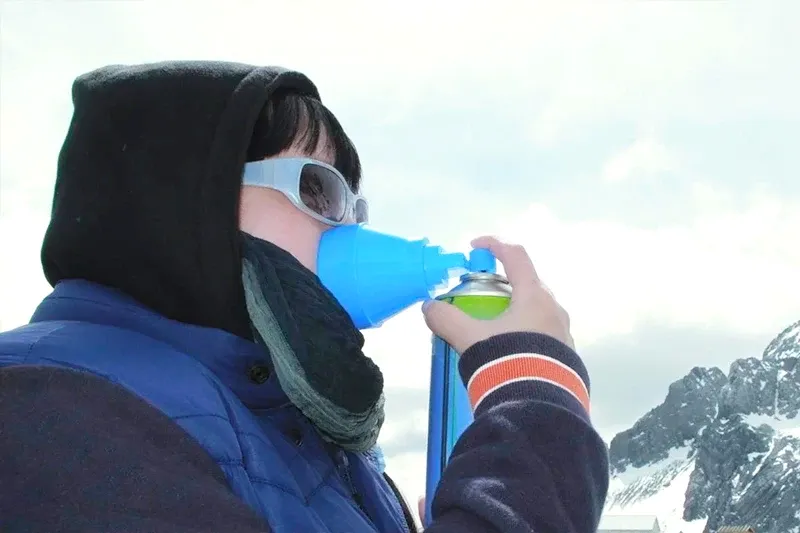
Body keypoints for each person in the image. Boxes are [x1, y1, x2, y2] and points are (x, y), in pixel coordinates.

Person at [0, 61, 609, 533]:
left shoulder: (311, 437)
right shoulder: (50, 408)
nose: (349, 232)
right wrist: (537, 402)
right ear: (187, 199)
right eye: (318, 190)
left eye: (354, 207)